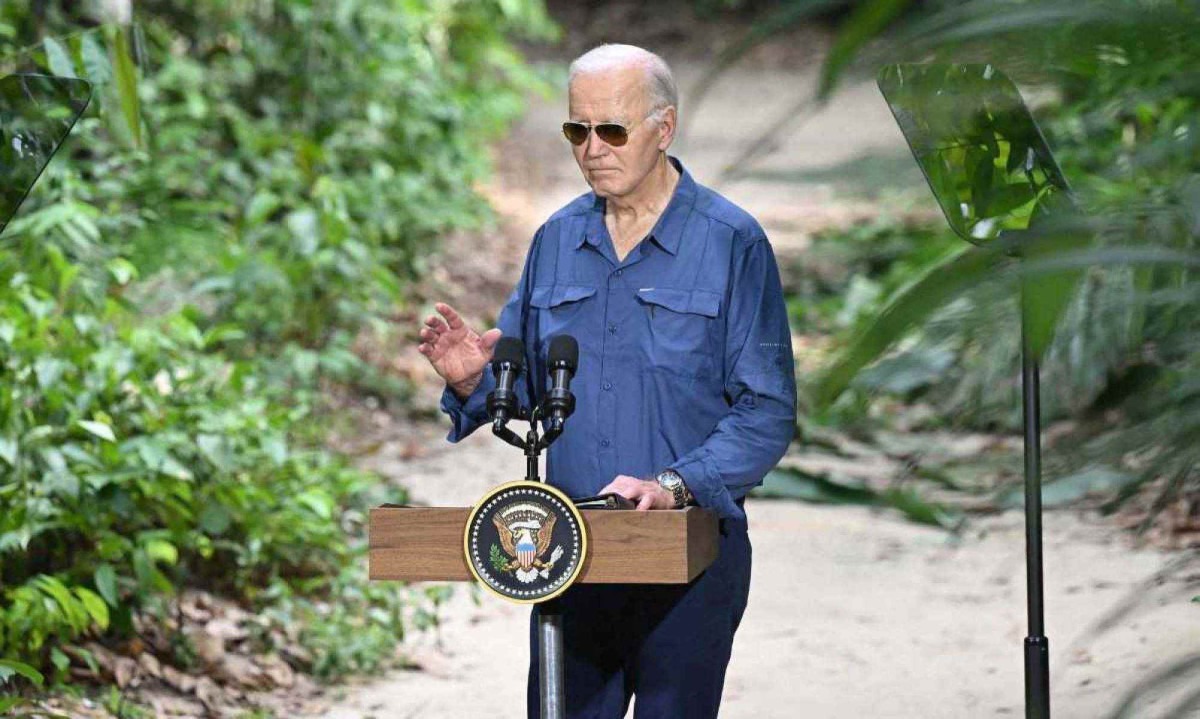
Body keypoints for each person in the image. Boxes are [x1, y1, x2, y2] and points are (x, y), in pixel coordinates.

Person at [415, 43, 796, 719]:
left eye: (612, 130)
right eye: (577, 130)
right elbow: (530, 385)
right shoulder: (557, 240)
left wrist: (672, 484)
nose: (593, 148)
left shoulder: (730, 241)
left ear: (664, 128)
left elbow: (766, 410)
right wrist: (478, 380)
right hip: (572, 554)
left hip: (689, 558)